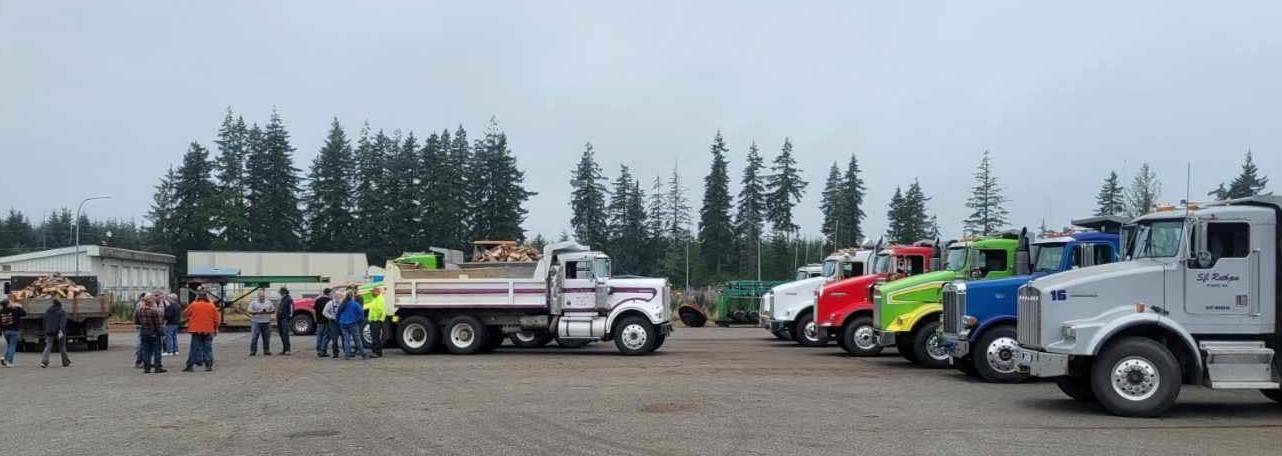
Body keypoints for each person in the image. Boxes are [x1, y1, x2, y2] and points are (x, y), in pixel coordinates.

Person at [183, 290, 220, 372]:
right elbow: (216, 319)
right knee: (208, 348)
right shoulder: (211, 306)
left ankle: (190, 366)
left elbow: (185, 314)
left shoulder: (193, 305)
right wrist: (216, 329)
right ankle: (208, 365)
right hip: (208, 329)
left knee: (194, 348)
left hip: (196, 330)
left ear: (198, 297)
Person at [136, 296, 165, 373]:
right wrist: (161, 333)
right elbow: (158, 324)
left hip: (144, 332)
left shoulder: (139, 310)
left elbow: (137, 322)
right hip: (154, 332)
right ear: (152, 303)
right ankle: (157, 367)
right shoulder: (154, 311)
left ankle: (147, 368)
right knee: (157, 350)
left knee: (146, 350)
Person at [336, 287, 368, 360]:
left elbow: (338, 314)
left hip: (343, 323)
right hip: (353, 323)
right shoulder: (355, 304)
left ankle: (347, 355)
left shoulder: (342, 304)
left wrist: (338, 321)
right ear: (352, 296)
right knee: (357, 339)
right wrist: (359, 320)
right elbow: (361, 313)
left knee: (346, 340)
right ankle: (363, 354)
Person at [39, 298, 71, 368]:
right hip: (59, 331)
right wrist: (61, 330)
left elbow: (44, 321)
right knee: (62, 346)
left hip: (49, 331)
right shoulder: (62, 312)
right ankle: (65, 362)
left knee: (48, 346)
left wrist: (45, 330)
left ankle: (44, 362)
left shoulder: (48, 311)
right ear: (60, 305)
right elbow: (63, 323)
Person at [248, 290, 275, 356]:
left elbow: (273, 310)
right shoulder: (253, 302)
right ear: (258, 296)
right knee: (254, 337)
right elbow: (249, 310)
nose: (262, 297)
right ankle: (253, 351)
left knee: (266, 337)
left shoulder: (268, 302)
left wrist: (268, 311)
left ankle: (266, 351)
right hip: (256, 322)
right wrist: (257, 312)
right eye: (261, 296)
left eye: (263, 296)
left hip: (266, 322)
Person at [1, 299, 27, 367]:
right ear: (8, 304)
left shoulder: (1, 311)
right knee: (12, 346)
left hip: (5, 331)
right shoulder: (15, 310)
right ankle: (10, 362)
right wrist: (19, 307)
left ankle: (4, 357)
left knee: (9, 345)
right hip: (13, 330)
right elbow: (24, 314)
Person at [313, 288, 337, 358]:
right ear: (329, 293)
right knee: (326, 336)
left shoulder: (318, 300)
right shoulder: (330, 301)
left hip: (319, 321)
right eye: (331, 293)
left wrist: (315, 319)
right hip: (327, 321)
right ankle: (323, 351)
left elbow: (314, 310)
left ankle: (318, 350)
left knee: (319, 335)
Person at [363, 286, 387, 358]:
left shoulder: (379, 299)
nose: (372, 293)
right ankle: (374, 351)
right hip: (374, 320)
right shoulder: (375, 298)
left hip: (376, 321)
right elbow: (371, 307)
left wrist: (377, 319)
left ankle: (377, 352)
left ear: (377, 292)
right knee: (374, 337)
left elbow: (380, 310)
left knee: (376, 337)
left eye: (373, 292)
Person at [276, 287, 293, 356]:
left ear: (284, 292)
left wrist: (288, 318)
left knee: (285, 334)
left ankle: (288, 350)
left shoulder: (289, 299)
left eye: (281, 292)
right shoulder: (282, 299)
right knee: (282, 334)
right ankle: (284, 349)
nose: (280, 293)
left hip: (285, 319)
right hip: (280, 319)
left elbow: (291, 310)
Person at [163, 292, 181, 356]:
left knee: (169, 337)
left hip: (170, 323)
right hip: (176, 323)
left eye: (169, 298)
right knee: (174, 337)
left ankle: (169, 351)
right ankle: (175, 350)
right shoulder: (178, 306)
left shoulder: (170, 307)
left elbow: (168, 316)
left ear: (172, 299)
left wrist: (164, 323)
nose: (168, 299)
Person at [134, 293, 148, 368]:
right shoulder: (141, 305)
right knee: (142, 344)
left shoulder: (140, 304)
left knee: (142, 344)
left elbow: (136, 316)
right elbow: (137, 315)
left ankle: (140, 361)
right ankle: (141, 361)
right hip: (143, 327)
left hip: (142, 326)